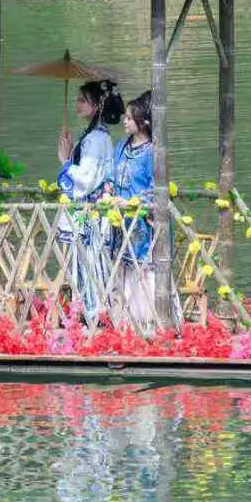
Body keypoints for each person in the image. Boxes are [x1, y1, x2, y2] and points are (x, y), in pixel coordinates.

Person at [56, 79, 121, 324]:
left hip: (91, 215)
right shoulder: (95, 136)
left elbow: (85, 179)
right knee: (88, 265)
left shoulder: (95, 139)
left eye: (83, 100)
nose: (77, 104)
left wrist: (65, 162)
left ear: (97, 105)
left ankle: (92, 316)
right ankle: (90, 314)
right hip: (92, 214)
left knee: (90, 266)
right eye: (78, 99)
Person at [101, 91, 160, 329]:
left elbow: (155, 189)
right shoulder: (120, 147)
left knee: (141, 270)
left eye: (128, 118)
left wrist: (133, 203)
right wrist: (108, 192)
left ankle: (146, 321)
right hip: (119, 221)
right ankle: (122, 320)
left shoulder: (153, 152)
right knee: (121, 269)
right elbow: (110, 176)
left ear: (142, 122)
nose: (124, 121)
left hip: (141, 223)